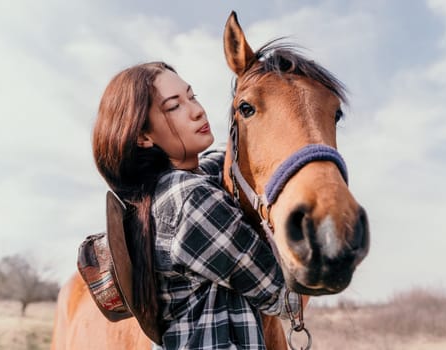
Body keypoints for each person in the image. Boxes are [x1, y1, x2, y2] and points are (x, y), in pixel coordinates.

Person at [92, 61, 303, 349]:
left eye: (192, 96)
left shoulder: (158, 193)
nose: (197, 111)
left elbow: (229, 160)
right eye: (173, 106)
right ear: (143, 136)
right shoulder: (189, 199)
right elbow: (286, 299)